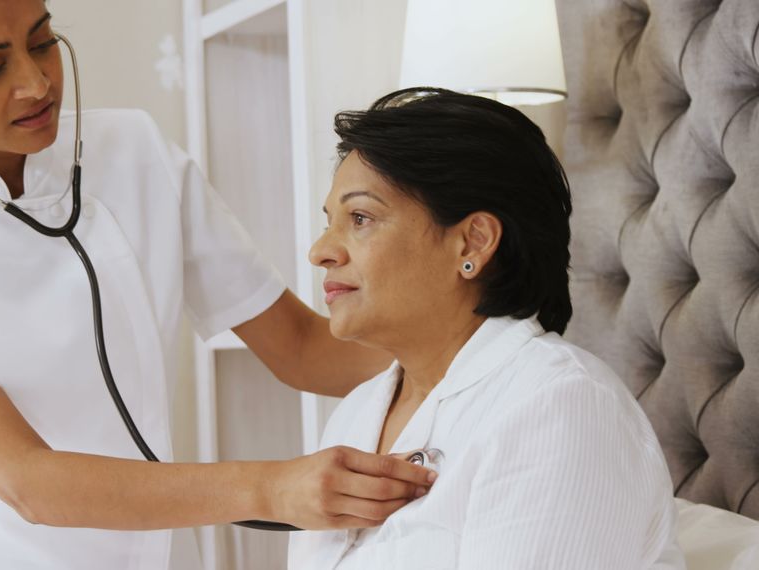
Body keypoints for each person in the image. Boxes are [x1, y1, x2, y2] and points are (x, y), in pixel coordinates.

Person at [0, 1, 436, 568]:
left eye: (43, 41)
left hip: (155, 550)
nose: (36, 82)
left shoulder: (134, 150)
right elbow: (28, 480)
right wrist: (274, 488)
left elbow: (302, 348)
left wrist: (474, 330)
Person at [287, 87, 685, 569]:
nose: (320, 251)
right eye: (330, 221)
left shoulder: (560, 404)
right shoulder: (355, 415)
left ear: (473, 243)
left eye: (361, 217)